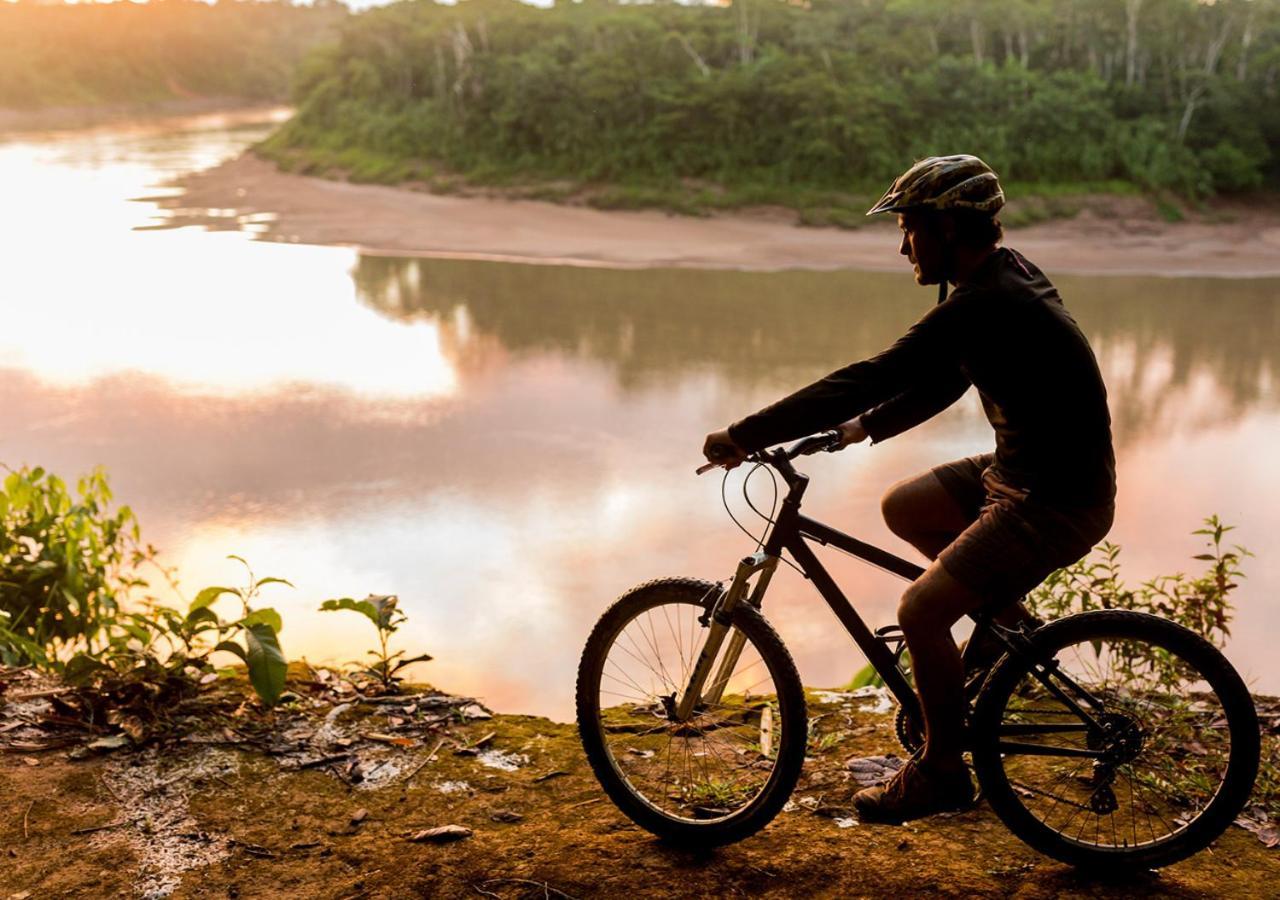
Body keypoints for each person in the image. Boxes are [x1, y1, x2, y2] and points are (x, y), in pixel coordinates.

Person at [700, 155, 1116, 823]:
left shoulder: (988, 300)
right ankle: (1005, 624)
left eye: (910, 227)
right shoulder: (999, 280)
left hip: (1053, 497)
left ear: (949, 228)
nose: (902, 245)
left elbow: (876, 372)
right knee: (905, 506)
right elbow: (945, 379)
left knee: (922, 612)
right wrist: (856, 432)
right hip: (1026, 471)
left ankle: (942, 773)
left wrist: (746, 433)